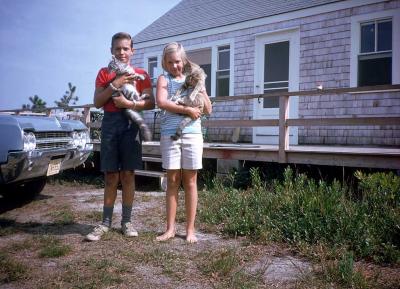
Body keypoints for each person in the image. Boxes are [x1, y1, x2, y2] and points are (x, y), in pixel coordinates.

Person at [85, 32, 155, 241]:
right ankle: (105, 223)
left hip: (131, 125)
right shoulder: (104, 73)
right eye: (118, 49)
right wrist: (116, 83)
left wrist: (129, 104)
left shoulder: (141, 74)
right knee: (111, 176)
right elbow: (97, 102)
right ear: (111, 51)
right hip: (110, 124)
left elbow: (151, 103)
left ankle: (127, 221)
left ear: (132, 51)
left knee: (128, 175)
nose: (122, 52)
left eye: (126, 48)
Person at [155, 42, 212, 243]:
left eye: (177, 62)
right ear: (165, 63)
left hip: (193, 134)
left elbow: (208, 109)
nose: (174, 66)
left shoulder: (193, 78)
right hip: (170, 134)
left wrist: (201, 87)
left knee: (190, 181)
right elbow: (162, 102)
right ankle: (170, 229)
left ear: (184, 60)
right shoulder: (164, 79)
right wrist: (187, 110)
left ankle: (190, 230)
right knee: (172, 181)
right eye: (170, 62)